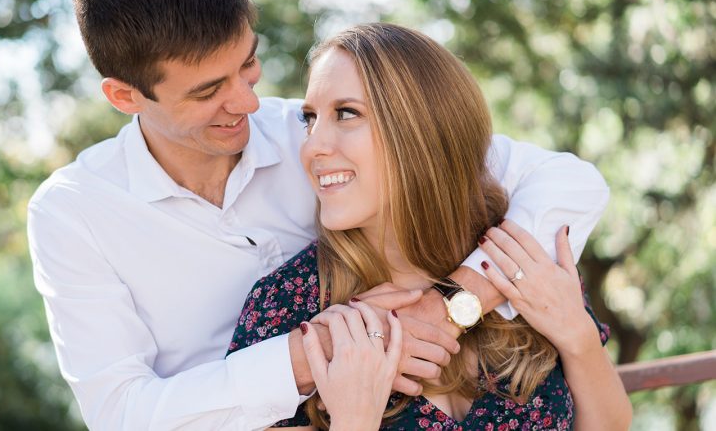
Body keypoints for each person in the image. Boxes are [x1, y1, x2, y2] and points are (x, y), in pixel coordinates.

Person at [26, 0, 611, 429]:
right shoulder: (74, 213)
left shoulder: (311, 132)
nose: (248, 102)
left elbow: (566, 181)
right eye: (208, 91)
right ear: (125, 96)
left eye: (248, 65)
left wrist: (455, 302)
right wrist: (317, 357)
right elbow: (121, 415)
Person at [228, 23, 631, 430]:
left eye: (346, 114)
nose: (313, 145)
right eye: (310, 119)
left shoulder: (515, 252)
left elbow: (610, 424)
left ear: (423, 130)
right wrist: (355, 418)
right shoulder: (288, 310)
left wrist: (578, 338)